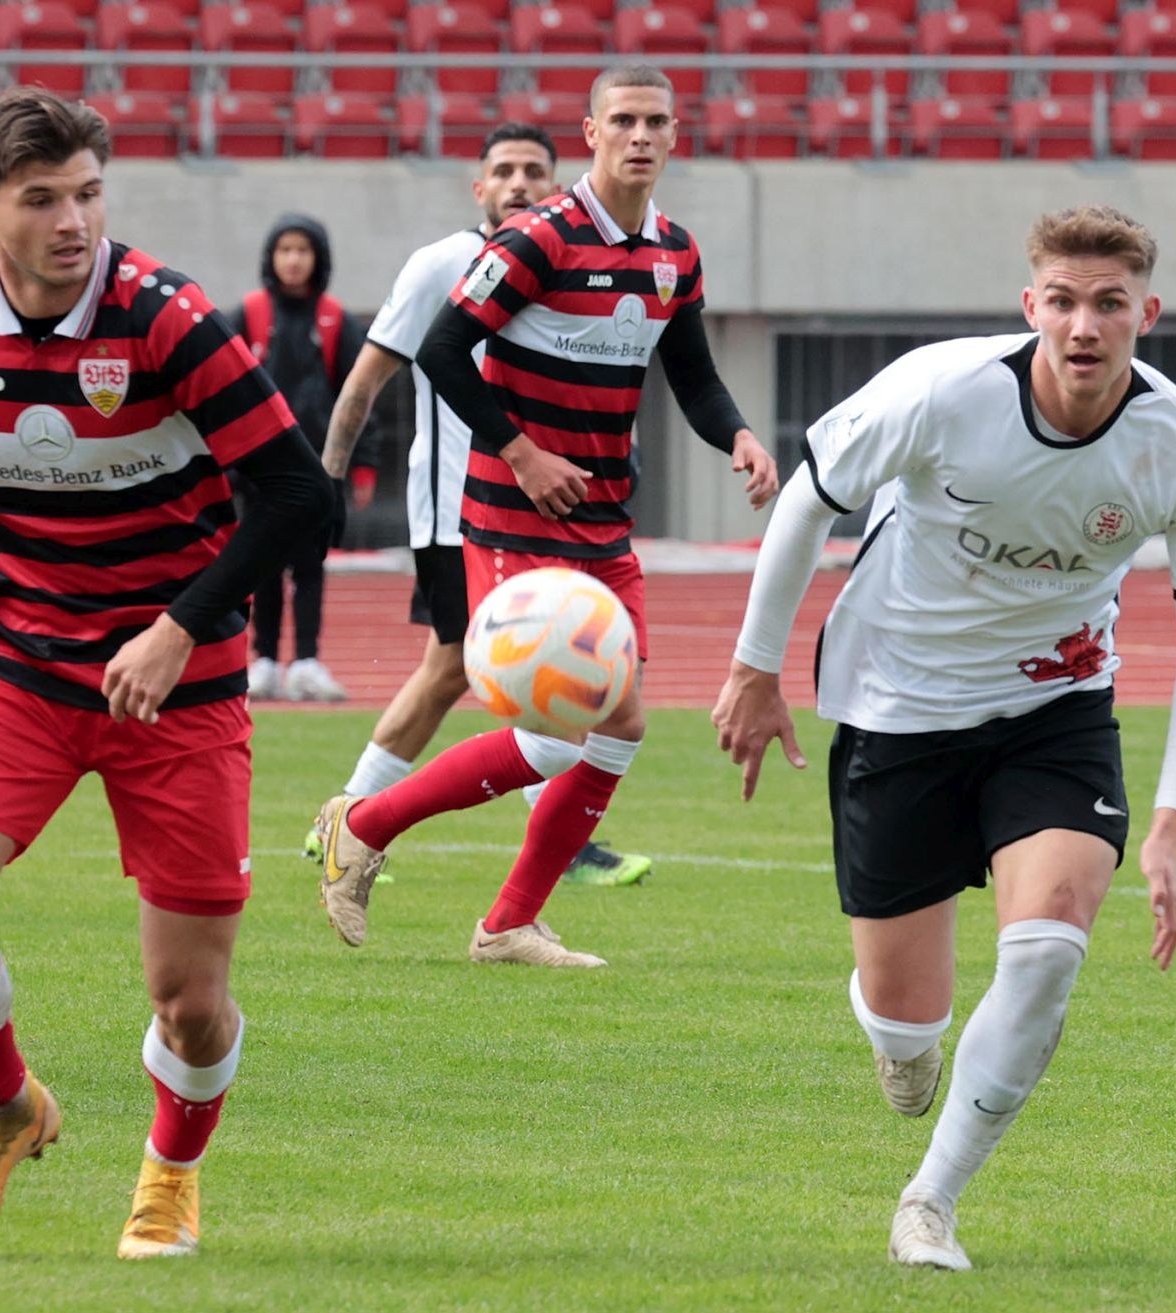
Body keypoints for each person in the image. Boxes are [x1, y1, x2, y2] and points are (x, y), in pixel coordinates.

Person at [0, 89, 331, 1257]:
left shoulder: (167, 319)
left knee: (190, 1003)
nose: (74, 221)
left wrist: (179, 626)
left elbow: (304, 495)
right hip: (14, 659)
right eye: (43, 198)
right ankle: (7, 1109)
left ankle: (171, 1170)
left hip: (178, 684)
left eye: (90, 193)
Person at [710, 206, 1176, 1270]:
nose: (1084, 326)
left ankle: (931, 1202)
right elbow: (808, 500)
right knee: (909, 1024)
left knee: (1048, 947)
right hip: (898, 706)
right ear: (1030, 304)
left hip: (1055, 710)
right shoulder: (942, 389)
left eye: (1108, 304)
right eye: (1064, 301)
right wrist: (754, 668)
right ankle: (899, 1037)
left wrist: (1171, 820)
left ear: (1146, 312)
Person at [313, 65, 778, 965]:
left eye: (655, 121)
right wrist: (521, 451)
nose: (639, 135)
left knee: (621, 725)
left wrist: (741, 435)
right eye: (622, 120)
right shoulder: (540, 237)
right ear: (591, 131)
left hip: (602, 521)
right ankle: (363, 825)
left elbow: (692, 374)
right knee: (557, 734)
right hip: (509, 515)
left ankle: (508, 925)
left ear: (674, 134)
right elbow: (444, 350)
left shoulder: (675, 251)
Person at [309, 122, 654, 889]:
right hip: (459, 512)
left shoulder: (569, 259)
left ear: (557, 182)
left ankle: (354, 817)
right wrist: (327, 482)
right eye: (503, 170)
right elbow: (367, 378)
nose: (519, 183)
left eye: (534, 169)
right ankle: (354, 816)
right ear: (480, 187)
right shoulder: (441, 263)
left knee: (485, 669)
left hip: (549, 513)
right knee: (468, 669)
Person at [229, 213, 373, 702]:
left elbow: (359, 396)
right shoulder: (249, 314)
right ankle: (265, 660)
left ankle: (307, 660)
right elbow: (226, 394)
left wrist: (362, 465)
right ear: (271, 257)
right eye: (285, 249)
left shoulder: (335, 319)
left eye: (303, 250)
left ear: (318, 258)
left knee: (310, 564)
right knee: (263, 565)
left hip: (319, 467)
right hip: (261, 467)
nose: (293, 260)